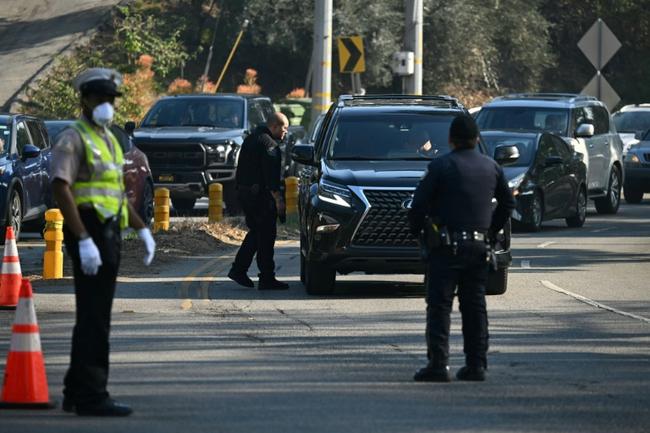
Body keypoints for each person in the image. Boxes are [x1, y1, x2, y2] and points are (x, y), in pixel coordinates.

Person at [51, 68, 156, 416]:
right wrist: (82, 239)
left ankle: (74, 389)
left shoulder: (110, 139)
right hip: (88, 231)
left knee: (94, 315)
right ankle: (92, 395)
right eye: (100, 99)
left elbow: (116, 194)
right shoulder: (73, 137)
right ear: (84, 101)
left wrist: (141, 228)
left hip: (109, 232)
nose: (107, 106)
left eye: (110, 100)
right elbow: (61, 188)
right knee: (95, 317)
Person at [408, 115, 515, 382]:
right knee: (475, 305)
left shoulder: (441, 166)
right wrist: (490, 231)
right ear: (477, 138)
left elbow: (418, 205)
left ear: (450, 139)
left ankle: (438, 364)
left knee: (439, 306)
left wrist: (419, 233)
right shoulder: (492, 167)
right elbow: (507, 204)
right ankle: (477, 364)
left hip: (446, 247)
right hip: (479, 246)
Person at [227, 112, 290, 290]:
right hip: (261, 197)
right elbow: (271, 178)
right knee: (266, 235)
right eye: (284, 129)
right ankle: (263, 277)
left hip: (245, 194)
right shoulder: (269, 145)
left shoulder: (251, 139)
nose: (285, 133)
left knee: (258, 233)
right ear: (274, 127)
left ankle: (242, 270)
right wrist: (279, 201)